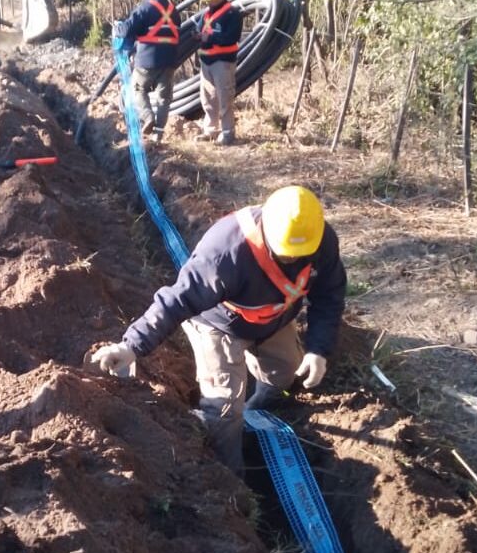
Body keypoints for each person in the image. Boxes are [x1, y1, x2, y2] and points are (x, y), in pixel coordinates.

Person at [92, 186, 347, 476]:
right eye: (285, 255)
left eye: (300, 255)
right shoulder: (226, 253)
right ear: (267, 231)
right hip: (218, 324)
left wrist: (318, 350)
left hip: (274, 318)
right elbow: (178, 299)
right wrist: (130, 346)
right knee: (224, 409)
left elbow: (330, 294)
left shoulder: (320, 240)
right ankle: (233, 482)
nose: (293, 261)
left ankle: (255, 414)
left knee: (285, 375)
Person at [114, 0, 181, 144]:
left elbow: (126, 30)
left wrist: (116, 28)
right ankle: (158, 133)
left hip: (147, 61)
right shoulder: (174, 11)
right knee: (164, 98)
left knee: (138, 89)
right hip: (169, 61)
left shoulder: (144, 9)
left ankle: (147, 116)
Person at [193, 0, 242, 146]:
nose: (208, 2)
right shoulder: (207, 14)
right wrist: (198, 35)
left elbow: (231, 37)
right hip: (206, 61)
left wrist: (211, 38)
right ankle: (210, 130)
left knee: (224, 97)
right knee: (208, 97)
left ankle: (228, 133)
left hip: (223, 61)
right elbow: (201, 29)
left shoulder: (232, 14)